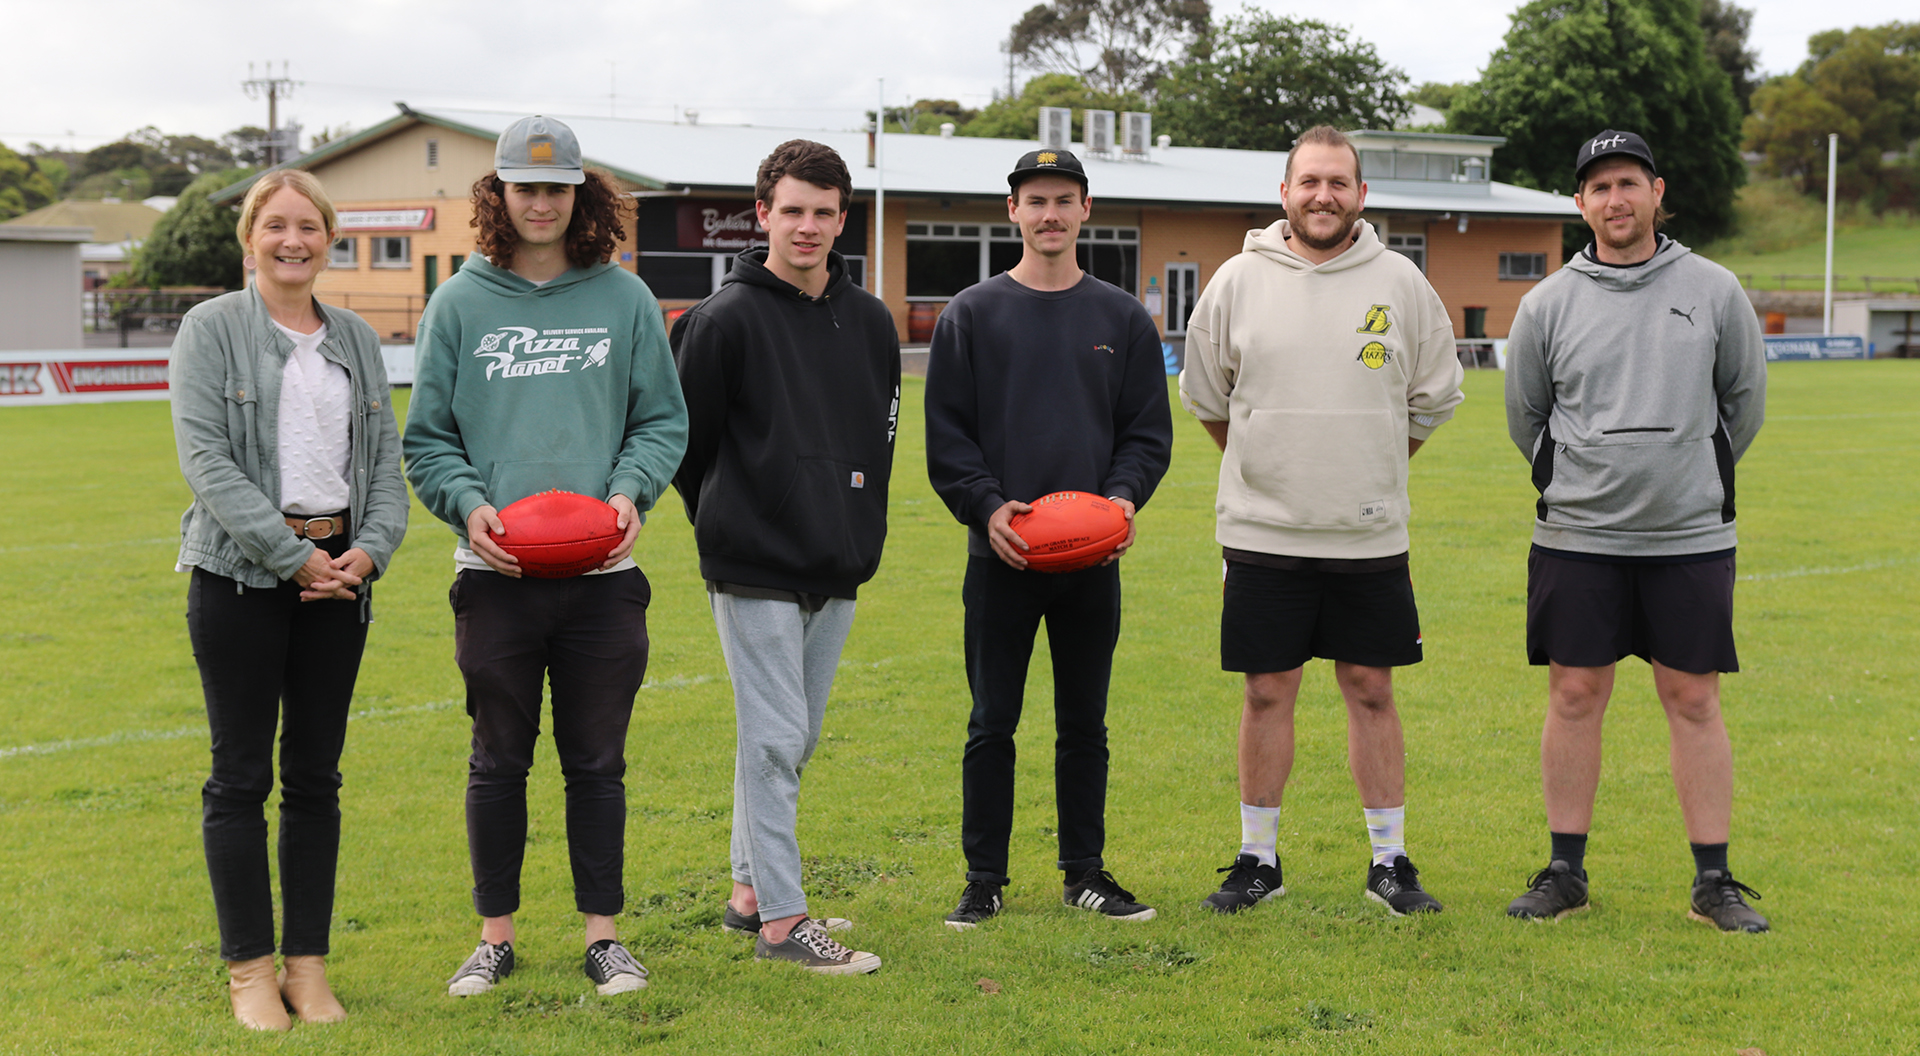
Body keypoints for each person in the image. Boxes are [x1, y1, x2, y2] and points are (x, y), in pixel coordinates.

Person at [402, 115, 689, 996]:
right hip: (494, 576)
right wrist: (470, 505)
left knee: (597, 763)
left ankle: (605, 937)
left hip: (604, 581)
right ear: (497, 193)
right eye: (523, 188)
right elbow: (427, 439)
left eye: (555, 188)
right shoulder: (459, 301)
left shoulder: (625, 299)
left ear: (580, 196)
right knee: (498, 761)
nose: (539, 203)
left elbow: (662, 421)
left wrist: (628, 493)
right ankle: (494, 937)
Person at [1178, 125, 1464, 917]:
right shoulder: (1236, 280)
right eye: (1309, 182)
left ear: (1361, 195)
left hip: (1369, 532)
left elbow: (1433, 398)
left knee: (1372, 688)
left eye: (1339, 182)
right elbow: (1207, 398)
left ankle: (1390, 863)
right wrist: (1268, 464)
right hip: (1263, 532)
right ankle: (1258, 861)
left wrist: (1369, 460)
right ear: (1284, 193)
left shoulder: (1401, 282)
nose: (1323, 196)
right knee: (1267, 692)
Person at [1502, 130, 1768, 932]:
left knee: (1692, 698)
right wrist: (1572, 477)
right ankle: (1564, 871)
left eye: (1628, 182)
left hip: (1688, 536)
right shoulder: (1546, 303)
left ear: (1657, 192)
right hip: (1578, 536)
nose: (1614, 199)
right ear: (1579, 205)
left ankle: (1713, 882)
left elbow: (1743, 403)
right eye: (1598, 187)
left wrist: (1692, 473)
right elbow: (1527, 416)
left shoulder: (1716, 289)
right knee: (1576, 693)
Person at [170, 169, 409, 1030]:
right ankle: (248, 973)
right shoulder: (211, 329)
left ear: (329, 237)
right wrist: (291, 559)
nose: (293, 240)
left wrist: (367, 553)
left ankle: (307, 968)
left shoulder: (353, 336)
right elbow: (207, 462)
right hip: (239, 579)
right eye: (276, 226)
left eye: (309, 226)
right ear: (250, 238)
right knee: (240, 778)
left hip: (339, 581)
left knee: (315, 778)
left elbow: (384, 466)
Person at [926, 148, 1174, 929]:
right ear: (1013, 211)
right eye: (1036, 201)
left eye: (1064, 200)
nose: (1050, 215)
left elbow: (1144, 434)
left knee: (1084, 724)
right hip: (1000, 554)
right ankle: (984, 878)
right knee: (990, 720)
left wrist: (1124, 501)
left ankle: (1085, 874)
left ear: (1086, 209)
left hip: (1091, 558)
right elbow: (948, 436)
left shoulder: (1122, 318)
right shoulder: (971, 313)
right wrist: (987, 507)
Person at [669, 139, 896, 975]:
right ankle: (784, 923)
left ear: (843, 220)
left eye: (823, 212)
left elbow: (879, 433)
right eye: (791, 209)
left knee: (790, 740)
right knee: (773, 738)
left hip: (837, 561)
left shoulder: (869, 321)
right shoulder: (721, 320)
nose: (807, 226)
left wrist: (854, 521)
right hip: (753, 560)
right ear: (762, 213)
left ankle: (746, 891)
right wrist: (735, 519)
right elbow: (685, 451)